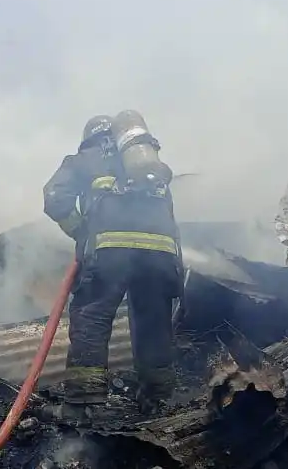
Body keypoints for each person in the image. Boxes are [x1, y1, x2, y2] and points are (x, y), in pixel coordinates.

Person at [42, 113, 183, 423]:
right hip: (160, 251)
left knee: (92, 317)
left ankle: (83, 404)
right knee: (153, 321)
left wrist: (80, 230)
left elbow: (54, 197)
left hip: (110, 249)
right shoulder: (148, 165)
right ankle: (158, 399)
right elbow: (169, 214)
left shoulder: (85, 159)